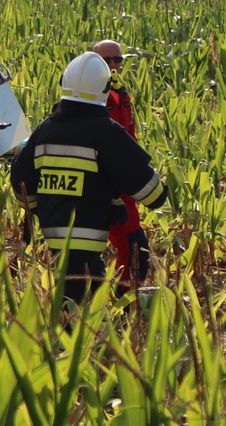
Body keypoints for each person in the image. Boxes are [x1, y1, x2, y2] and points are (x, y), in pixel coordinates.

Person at [10, 52, 167, 303]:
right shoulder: (105, 132)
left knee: (73, 299)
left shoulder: (44, 130)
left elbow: (20, 180)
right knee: (80, 309)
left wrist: (44, 207)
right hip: (88, 240)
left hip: (53, 238)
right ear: (105, 90)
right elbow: (154, 194)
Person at [93, 39, 148, 291]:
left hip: (123, 186)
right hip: (102, 188)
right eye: (107, 60)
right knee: (88, 255)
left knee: (136, 248)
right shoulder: (91, 99)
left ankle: (125, 306)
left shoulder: (120, 94)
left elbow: (130, 140)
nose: (113, 65)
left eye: (118, 60)